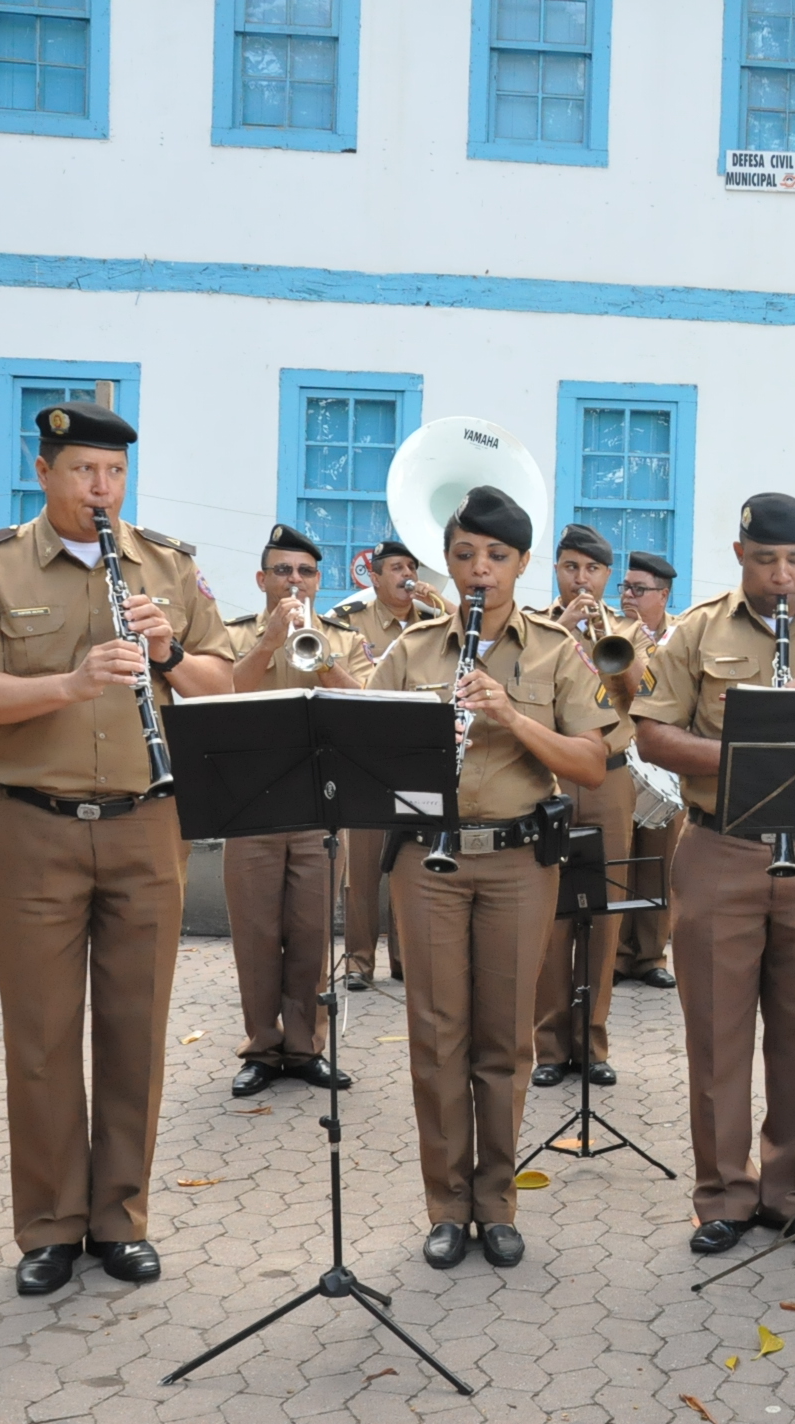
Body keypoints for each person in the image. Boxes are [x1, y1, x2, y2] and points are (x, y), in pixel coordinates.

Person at [0, 400, 233, 1296]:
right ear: (45, 471)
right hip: (35, 826)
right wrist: (69, 680)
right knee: (41, 1035)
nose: (100, 491)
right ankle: (50, 1226)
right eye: (82, 474)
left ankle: (120, 1220)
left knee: (135, 1029)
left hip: (148, 823)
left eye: (113, 475)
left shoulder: (168, 567)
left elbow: (222, 683)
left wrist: (169, 649)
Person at [632, 493, 795, 1255]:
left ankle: (792, 1191)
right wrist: (756, 744)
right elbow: (653, 735)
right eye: (768, 560)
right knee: (717, 1031)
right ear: (741, 557)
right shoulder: (698, 630)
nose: (783, 577)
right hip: (722, 844)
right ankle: (722, 1195)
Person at [369, 486, 615, 1269]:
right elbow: (364, 758)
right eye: (466, 555)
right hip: (428, 860)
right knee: (437, 1035)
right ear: (448, 561)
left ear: (521, 564)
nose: (480, 571)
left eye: (497, 557)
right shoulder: (409, 651)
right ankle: (447, 1205)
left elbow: (593, 764)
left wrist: (510, 716)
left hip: (516, 861)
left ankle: (498, 1201)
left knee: (505, 1036)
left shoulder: (552, 650)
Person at [217, 524, 372, 1097]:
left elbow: (362, 707)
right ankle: (261, 1047)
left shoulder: (342, 636)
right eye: (283, 571)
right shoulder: (231, 635)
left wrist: (319, 654)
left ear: (319, 581)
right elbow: (218, 697)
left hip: (319, 804)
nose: (294, 581)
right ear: (262, 579)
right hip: (251, 805)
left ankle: (306, 1048)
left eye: (305, 572)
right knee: (256, 936)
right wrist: (268, 644)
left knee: (310, 934)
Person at [532, 523, 650, 1088]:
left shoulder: (630, 631)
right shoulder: (534, 629)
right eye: (570, 567)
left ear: (608, 576)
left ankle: (593, 1042)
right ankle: (550, 1046)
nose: (581, 579)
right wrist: (559, 632)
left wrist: (610, 647)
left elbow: (644, 696)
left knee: (602, 916)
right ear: (555, 569)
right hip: (546, 778)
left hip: (609, 777)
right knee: (551, 917)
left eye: (592, 569)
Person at [332, 537, 442, 988]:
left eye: (411, 567)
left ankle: (404, 959)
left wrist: (442, 602)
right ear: (374, 577)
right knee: (363, 865)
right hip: (367, 757)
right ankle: (359, 960)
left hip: (418, 757)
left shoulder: (436, 622)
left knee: (409, 858)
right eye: (395, 568)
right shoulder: (350, 622)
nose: (405, 575)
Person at [615, 550, 682, 990]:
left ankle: (652, 955)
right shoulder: (611, 632)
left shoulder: (686, 634)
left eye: (639, 589)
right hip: (621, 757)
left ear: (664, 594)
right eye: (624, 587)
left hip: (668, 761)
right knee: (620, 858)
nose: (628, 596)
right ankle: (618, 955)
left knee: (659, 861)